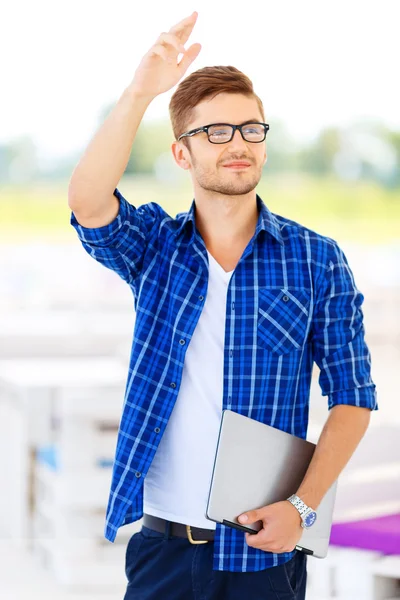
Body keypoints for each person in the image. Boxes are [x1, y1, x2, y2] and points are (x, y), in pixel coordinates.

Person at [68, 10, 378, 600]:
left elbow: (354, 399)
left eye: (250, 129)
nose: (237, 144)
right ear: (182, 154)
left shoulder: (317, 259)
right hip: (163, 545)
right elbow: (87, 200)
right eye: (215, 131)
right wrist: (140, 91)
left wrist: (302, 508)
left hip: (264, 545)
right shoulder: (155, 248)